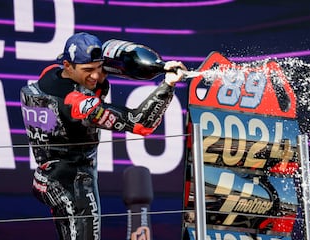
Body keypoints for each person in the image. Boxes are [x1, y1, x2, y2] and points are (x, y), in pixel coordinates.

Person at [20, 32, 187, 240]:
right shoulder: (78, 105)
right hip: (73, 184)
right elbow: (142, 123)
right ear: (68, 65)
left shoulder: (50, 74)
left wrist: (156, 66)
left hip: (46, 177)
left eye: (100, 69)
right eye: (88, 70)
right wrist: (168, 84)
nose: (96, 76)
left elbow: (93, 77)